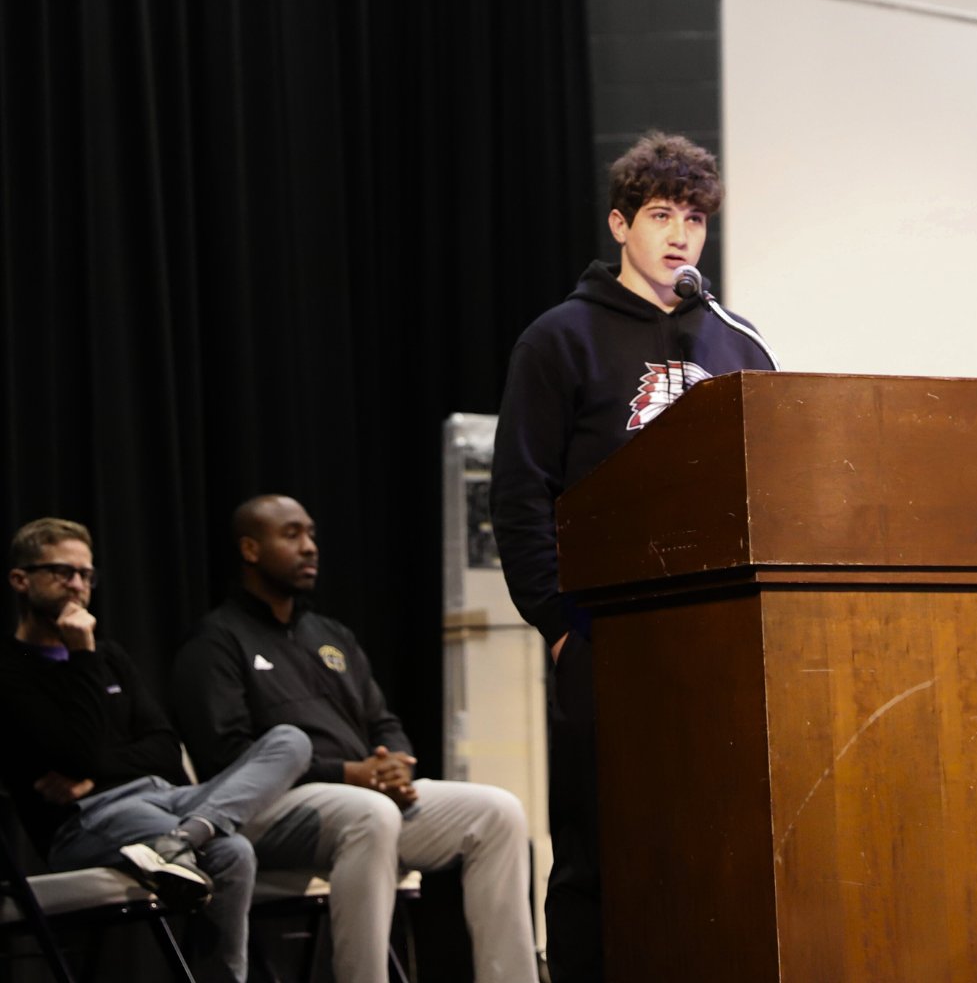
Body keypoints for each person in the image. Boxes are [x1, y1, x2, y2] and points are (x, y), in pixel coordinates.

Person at [490, 131, 778, 982]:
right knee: (601, 849)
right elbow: (519, 495)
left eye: (693, 218)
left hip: (718, 642)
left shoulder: (736, 341)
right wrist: (559, 624)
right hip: (605, 635)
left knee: (709, 840)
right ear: (621, 225)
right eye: (661, 215)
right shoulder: (559, 339)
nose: (680, 234)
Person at [171, 494, 540, 983]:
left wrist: (397, 765)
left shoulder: (330, 635)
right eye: (291, 534)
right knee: (371, 814)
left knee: (498, 812)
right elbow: (226, 757)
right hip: (270, 811)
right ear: (250, 549)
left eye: (311, 534)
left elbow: (381, 722)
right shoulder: (216, 641)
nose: (310, 547)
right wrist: (349, 775)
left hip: (363, 801)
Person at [0, 517, 312, 983]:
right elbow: (75, 756)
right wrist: (80, 653)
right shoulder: (12, 668)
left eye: (87, 575)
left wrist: (97, 765)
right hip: (85, 822)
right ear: (21, 580)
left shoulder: (112, 657)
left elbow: (165, 750)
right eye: (63, 572)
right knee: (234, 853)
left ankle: (183, 840)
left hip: (166, 797)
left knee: (291, 740)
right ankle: (188, 848)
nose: (78, 586)